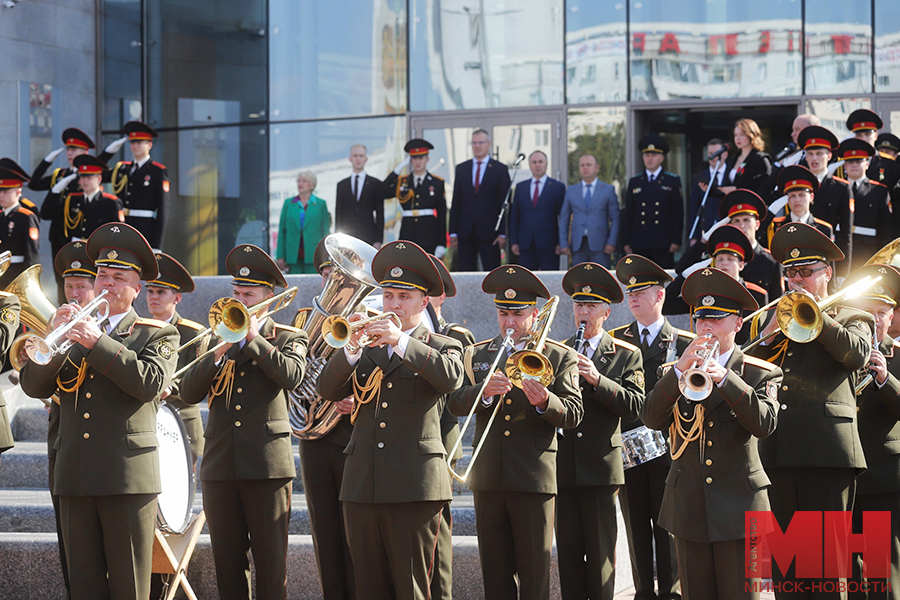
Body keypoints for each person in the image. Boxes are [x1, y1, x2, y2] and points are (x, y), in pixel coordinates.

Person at [19, 222, 179, 600]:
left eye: (118, 277)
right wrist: (51, 339)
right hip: (74, 475)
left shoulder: (155, 333)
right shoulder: (73, 332)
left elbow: (150, 383)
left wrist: (99, 342)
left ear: (136, 289)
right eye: (102, 276)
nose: (106, 284)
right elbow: (32, 386)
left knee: (129, 587)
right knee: (84, 587)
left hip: (126, 478)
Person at [317, 240, 464, 600]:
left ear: (423, 302)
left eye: (403, 297)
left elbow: (451, 379)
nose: (393, 305)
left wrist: (401, 341)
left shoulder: (442, 344)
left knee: (412, 588)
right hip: (363, 484)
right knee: (368, 587)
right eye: (388, 296)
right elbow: (326, 388)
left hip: (414, 487)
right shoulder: (366, 346)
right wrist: (349, 349)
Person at [747, 222, 873, 599]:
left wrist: (817, 316)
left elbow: (857, 354)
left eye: (806, 272)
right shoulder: (771, 319)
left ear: (828, 273)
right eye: (790, 273)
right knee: (785, 575)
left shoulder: (853, 313)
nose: (796, 280)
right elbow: (746, 367)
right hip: (778, 451)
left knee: (827, 575)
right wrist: (771, 328)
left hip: (827, 454)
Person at [643, 267, 782, 600]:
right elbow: (650, 417)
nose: (705, 327)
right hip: (689, 506)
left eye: (716, 319)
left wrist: (724, 378)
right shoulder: (674, 372)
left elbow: (764, 424)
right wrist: (678, 371)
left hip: (738, 508)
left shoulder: (759, 372)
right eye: (700, 319)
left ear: (737, 323)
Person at [447, 264, 582, 600]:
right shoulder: (476, 354)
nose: (509, 322)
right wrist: (483, 392)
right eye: (503, 313)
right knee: (495, 575)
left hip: (533, 479)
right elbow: (453, 403)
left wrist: (546, 402)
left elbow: (574, 414)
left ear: (534, 315)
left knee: (535, 576)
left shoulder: (560, 355)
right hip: (489, 479)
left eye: (517, 315)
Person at [179, 244, 306, 600]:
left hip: (266, 466)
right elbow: (188, 391)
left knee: (271, 565)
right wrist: (218, 351)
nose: (241, 300)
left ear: (269, 296)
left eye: (248, 294)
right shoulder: (216, 336)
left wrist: (252, 337)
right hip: (220, 464)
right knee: (227, 563)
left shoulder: (288, 336)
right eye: (236, 293)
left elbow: (292, 375)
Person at [556, 262, 644, 600]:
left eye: (591, 305)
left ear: (606, 312)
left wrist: (597, 379)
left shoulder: (625, 354)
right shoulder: (558, 351)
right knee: (568, 556)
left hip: (600, 468)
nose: (583, 312)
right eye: (579, 305)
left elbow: (635, 406)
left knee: (601, 558)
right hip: (563, 468)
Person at [610, 254, 694, 600]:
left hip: (670, 449)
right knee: (636, 528)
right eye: (629, 292)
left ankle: (672, 592)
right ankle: (644, 591)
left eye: (641, 292)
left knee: (669, 528)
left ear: (659, 296)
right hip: (629, 450)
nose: (633, 298)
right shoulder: (615, 341)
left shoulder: (684, 343)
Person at [295, 238, 358, 600]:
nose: (332, 281)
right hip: (313, 437)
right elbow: (298, 376)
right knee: (324, 531)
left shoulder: (365, 319)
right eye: (328, 274)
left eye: (340, 275)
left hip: (350, 435)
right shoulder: (305, 317)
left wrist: (356, 400)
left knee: (356, 534)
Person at [844, 263, 900, 600]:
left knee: (882, 576)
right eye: (868, 311)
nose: (876, 319)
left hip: (882, 479)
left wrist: (885, 379)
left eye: (882, 312)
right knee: (844, 575)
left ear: (892, 317)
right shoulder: (842, 352)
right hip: (842, 476)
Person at [44, 240, 97, 598]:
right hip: (62, 438)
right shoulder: (59, 324)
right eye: (69, 286)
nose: (74, 294)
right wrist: (51, 333)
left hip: (99, 447)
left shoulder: (103, 329)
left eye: (82, 286)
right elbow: (34, 380)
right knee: (70, 543)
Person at [426, 253, 475, 600]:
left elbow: (462, 393)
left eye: (428, 291)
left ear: (441, 297)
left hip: (440, 439)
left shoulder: (455, 335)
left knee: (437, 530)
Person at [28, 128, 121, 303]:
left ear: (85, 152)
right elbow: (34, 184)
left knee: (86, 282)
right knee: (64, 282)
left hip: (81, 236)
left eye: (75, 150)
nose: (70, 153)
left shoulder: (88, 175)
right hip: (61, 235)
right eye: (68, 149)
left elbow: (98, 169)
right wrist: (48, 161)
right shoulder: (60, 174)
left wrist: (108, 152)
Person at [145, 252, 205, 464]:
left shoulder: (193, 333)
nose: (153, 297)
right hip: (148, 421)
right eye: (150, 291)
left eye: (161, 292)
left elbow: (197, 375)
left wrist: (171, 386)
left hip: (181, 418)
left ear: (177, 298)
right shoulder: (139, 329)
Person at [771, 126, 853, 270]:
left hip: (827, 259)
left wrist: (842, 272)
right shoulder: (794, 185)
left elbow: (845, 234)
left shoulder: (841, 187)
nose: (814, 158)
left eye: (819, 154)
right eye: (810, 154)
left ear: (829, 156)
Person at [449, 129, 512, 271]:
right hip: (466, 232)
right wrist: (453, 232)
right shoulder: (462, 169)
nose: (477, 146)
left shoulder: (500, 169)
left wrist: (503, 233)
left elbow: (505, 203)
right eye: (474, 143)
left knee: (492, 273)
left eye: (481, 142)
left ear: (488, 144)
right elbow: (456, 202)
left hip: (490, 233)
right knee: (464, 273)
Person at [621, 134, 683, 269]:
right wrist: (626, 240)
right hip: (640, 240)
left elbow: (677, 213)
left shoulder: (671, 181)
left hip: (663, 240)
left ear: (661, 158)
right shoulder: (635, 181)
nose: (650, 159)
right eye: (647, 155)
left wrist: (675, 240)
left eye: (654, 155)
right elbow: (629, 213)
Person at [109, 121, 169, 250]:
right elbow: (96, 174)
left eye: (140, 142)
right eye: (133, 142)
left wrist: (156, 245)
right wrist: (108, 152)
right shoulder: (123, 168)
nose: (135, 146)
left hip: (145, 229)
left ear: (150, 145)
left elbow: (163, 210)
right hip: (123, 227)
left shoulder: (157, 171)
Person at [382, 139, 447, 256]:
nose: (418, 162)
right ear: (410, 160)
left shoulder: (437, 183)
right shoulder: (402, 181)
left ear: (427, 159)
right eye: (414, 158)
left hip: (429, 234)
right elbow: (382, 191)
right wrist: (398, 169)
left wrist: (441, 243)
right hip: (408, 234)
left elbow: (441, 214)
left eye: (421, 158)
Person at [835, 138, 891, 273]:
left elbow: (886, 228)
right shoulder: (836, 189)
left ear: (867, 164)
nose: (854, 165)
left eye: (859, 161)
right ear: (844, 166)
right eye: (850, 162)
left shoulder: (879, 191)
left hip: (868, 251)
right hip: (840, 250)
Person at [719, 190, 783, 300]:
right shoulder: (720, 259)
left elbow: (777, 301)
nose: (742, 225)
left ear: (757, 224)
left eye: (746, 220)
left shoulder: (771, 261)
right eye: (736, 221)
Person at [559, 153, 619, 268]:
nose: (585, 168)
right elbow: (564, 219)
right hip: (578, 245)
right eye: (582, 165)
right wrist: (564, 243)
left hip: (601, 245)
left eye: (589, 165)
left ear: (596, 168)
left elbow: (615, 218)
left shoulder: (607, 190)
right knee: (579, 279)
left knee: (601, 280)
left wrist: (612, 242)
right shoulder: (571, 190)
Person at [510, 150, 566, 270]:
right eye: (534, 162)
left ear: (546, 164)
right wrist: (514, 241)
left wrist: (561, 242)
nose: (537, 165)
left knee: (549, 281)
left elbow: (563, 217)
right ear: (530, 165)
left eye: (541, 162)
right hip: (525, 243)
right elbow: (515, 216)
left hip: (549, 244)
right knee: (527, 282)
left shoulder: (557, 187)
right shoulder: (521, 187)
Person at [276, 170, 331, 274]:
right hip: (293, 255)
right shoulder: (289, 203)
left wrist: (326, 256)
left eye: (304, 181)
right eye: (299, 181)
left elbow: (325, 232)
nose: (300, 183)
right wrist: (280, 256)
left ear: (312, 185)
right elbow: (282, 231)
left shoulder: (320, 204)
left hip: (313, 254)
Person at [766, 165, 835, 247]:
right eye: (792, 196)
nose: (797, 199)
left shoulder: (823, 229)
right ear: (787, 200)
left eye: (801, 195)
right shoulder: (776, 227)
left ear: (811, 197)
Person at [334, 144, 384, 248]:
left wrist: (378, 240)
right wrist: (338, 238)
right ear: (350, 159)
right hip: (347, 238)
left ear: (366, 159)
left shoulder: (375, 184)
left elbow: (380, 214)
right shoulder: (342, 185)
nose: (358, 159)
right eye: (355, 155)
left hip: (369, 238)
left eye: (361, 156)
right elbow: (339, 213)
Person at [0, 161, 40, 288]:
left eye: (6, 191)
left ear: (18, 191)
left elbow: (31, 255)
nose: (1, 195)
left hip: (15, 275)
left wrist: (28, 282)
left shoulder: (26, 217)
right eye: (0, 191)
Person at [68, 155, 125, 241]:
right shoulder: (73, 199)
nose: (85, 181)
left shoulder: (111, 202)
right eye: (83, 177)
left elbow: (118, 232)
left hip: (99, 247)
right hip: (77, 246)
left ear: (99, 179)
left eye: (89, 177)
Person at [687, 139, 730, 244]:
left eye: (716, 153)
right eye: (710, 153)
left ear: (725, 155)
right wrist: (693, 237)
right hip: (706, 232)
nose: (713, 157)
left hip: (728, 230)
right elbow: (694, 207)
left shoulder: (732, 175)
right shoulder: (701, 177)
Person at [719, 118, 773, 197]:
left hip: (751, 205)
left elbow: (764, 186)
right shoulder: (732, 159)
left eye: (742, 134)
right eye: (736, 135)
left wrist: (737, 189)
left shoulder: (761, 159)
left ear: (751, 135)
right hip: (733, 204)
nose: (738, 138)